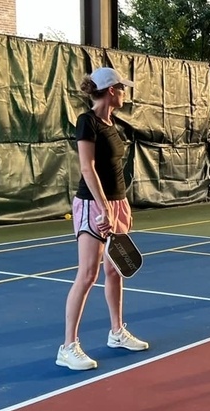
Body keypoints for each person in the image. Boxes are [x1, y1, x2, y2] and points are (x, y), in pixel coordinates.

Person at [57, 67, 150, 371]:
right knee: (87, 275)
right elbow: (88, 168)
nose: (125, 93)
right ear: (112, 90)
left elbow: (114, 171)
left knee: (114, 271)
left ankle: (117, 332)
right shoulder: (87, 122)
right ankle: (68, 347)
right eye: (123, 88)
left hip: (116, 204)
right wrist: (104, 208)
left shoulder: (114, 125)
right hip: (91, 206)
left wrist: (120, 205)